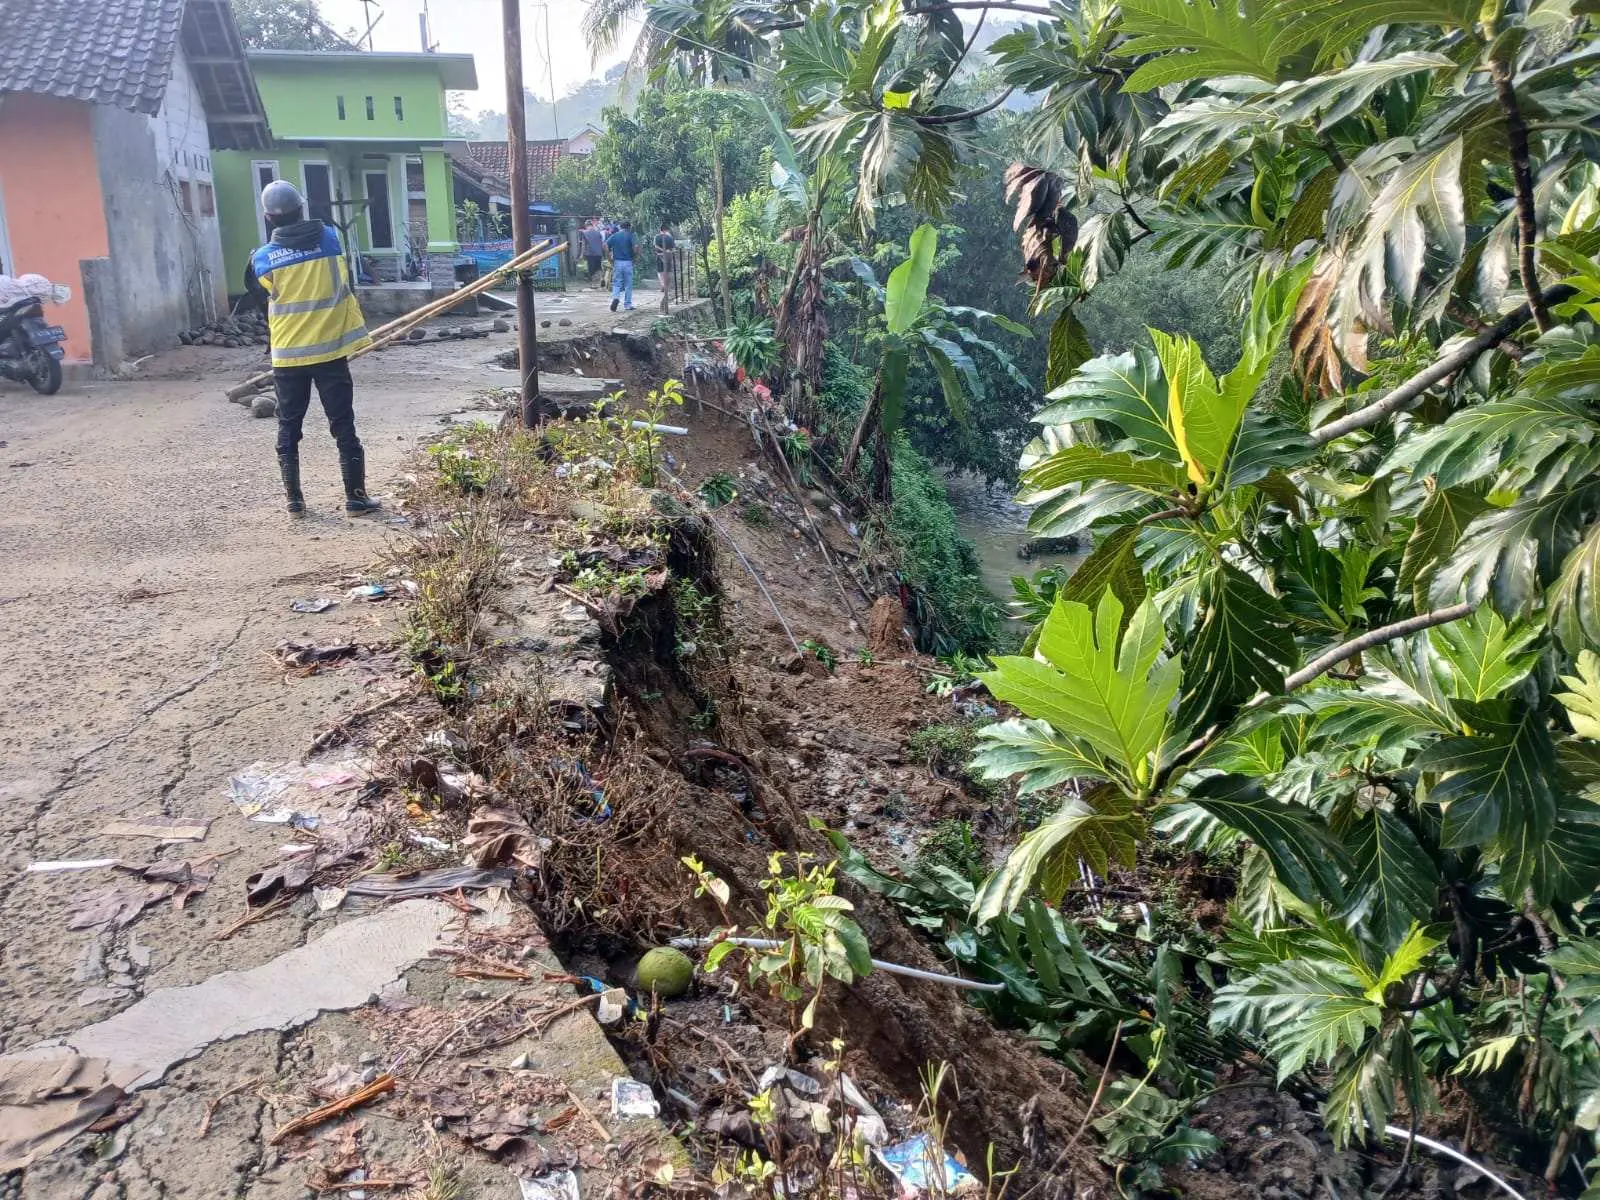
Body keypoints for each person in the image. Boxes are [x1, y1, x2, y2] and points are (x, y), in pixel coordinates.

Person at [244, 180, 380, 515]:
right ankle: (356, 497)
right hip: (330, 352)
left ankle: (294, 501)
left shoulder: (262, 260)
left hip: (288, 355)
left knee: (289, 425)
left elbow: (259, 298)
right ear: (302, 209)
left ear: (268, 217)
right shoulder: (330, 241)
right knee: (343, 424)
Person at [606, 220, 638, 312]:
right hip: (628, 262)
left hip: (617, 262)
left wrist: (609, 257)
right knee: (628, 284)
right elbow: (636, 247)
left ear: (620, 227)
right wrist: (635, 256)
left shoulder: (615, 235)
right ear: (629, 227)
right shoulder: (631, 235)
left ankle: (616, 297)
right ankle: (627, 304)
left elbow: (605, 245)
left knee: (617, 282)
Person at [654, 223, 676, 312]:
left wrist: (662, 250)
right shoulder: (670, 238)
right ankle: (665, 286)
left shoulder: (657, 237)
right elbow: (673, 249)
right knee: (668, 273)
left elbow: (655, 246)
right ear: (667, 230)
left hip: (660, 256)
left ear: (661, 230)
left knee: (660, 272)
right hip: (669, 257)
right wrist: (667, 251)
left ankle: (663, 285)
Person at [580, 219, 605, 288]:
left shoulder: (584, 233)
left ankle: (593, 284)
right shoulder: (598, 233)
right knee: (599, 267)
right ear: (592, 225)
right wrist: (603, 253)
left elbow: (583, 245)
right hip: (599, 253)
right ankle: (601, 279)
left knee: (591, 269)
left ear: (586, 225)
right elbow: (602, 243)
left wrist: (582, 255)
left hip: (590, 253)